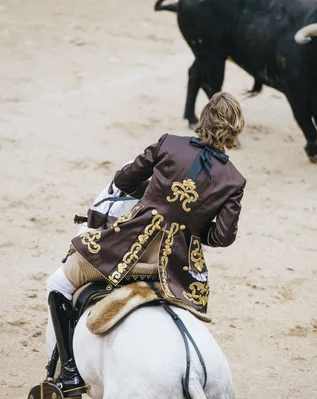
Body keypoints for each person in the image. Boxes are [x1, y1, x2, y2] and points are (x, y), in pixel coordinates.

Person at [44, 91, 247, 397]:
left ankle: (69, 373)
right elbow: (223, 237)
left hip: (125, 248)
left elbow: (124, 181)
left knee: (58, 282)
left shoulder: (170, 143)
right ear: (235, 130)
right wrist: (194, 228)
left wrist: (150, 191)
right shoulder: (234, 180)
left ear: (203, 118)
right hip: (178, 272)